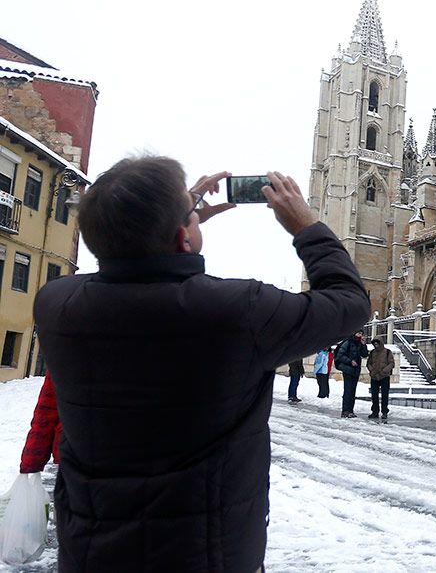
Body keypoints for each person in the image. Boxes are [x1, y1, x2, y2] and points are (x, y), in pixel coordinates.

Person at [34, 157, 370, 571]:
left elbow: (127, 261)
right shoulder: (236, 312)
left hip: (92, 553)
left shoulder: (56, 306)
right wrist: (306, 227)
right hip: (205, 555)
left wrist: (178, 216)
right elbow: (350, 303)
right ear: (183, 236)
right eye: (189, 216)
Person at [19, 372, 62, 475]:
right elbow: (47, 409)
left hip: (74, 455)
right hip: (75, 459)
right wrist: (31, 461)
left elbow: (47, 410)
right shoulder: (66, 358)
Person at [334, 331, 369, 418]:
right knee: (348, 390)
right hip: (347, 369)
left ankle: (350, 410)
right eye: (358, 333)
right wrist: (350, 361)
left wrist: (364, 345)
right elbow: (340, 355)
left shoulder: (359, 343)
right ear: (354, 333)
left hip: (355, 370)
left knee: (352, 391)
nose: (360, 335)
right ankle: (345, 411)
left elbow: (364, 354)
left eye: (361, 334)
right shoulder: (348, 342)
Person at [366, 338, 395, 421]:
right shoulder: (372, 353)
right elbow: (369, 363)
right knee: (374, 395)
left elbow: (391, 363)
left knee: (384, 395)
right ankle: (375, 411)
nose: (376, 345)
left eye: (377, 343)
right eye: (374, 344)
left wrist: (384, 371)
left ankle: (384, 412)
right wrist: (372, 370)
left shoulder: (387, 352)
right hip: (374, 376)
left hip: (384, 376)